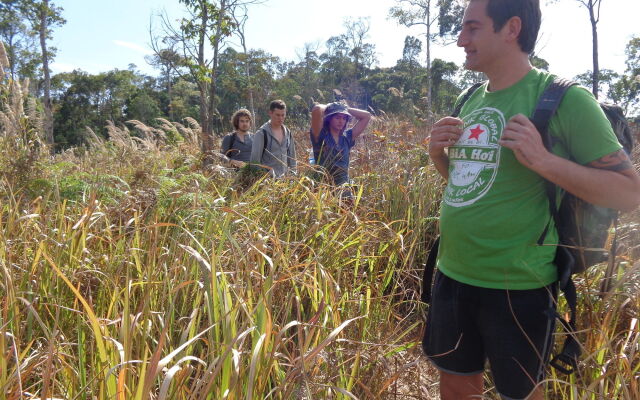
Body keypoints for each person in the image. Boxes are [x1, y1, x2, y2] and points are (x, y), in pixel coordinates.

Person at [424, 1, 640, 399]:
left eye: (472, 28)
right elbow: (475, 185)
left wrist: (543, 160)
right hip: (452, 273)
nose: (460, 40)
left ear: (511, 29)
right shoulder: (472, 98)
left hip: (519, 285)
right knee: (455, 383)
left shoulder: (564, 99)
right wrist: (440, 158)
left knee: (521, 394)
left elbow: (628, 191)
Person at [309, 101, 371, 187]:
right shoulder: (320, 135)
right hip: (322, 185)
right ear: (329, 119)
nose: (341, 121)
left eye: (344, 118)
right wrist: (330, 107)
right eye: (337, 118)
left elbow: (367, 116)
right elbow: (317, 109)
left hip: (343, 185)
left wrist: (343, 108)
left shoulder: (347, 137)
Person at [250, 100, 296, 177]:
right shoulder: (261, 134)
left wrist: (293, 176)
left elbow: (292, 158)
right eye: (277, 115)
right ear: (270, 113)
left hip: (284, 181)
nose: (281, 118)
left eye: (283, 115)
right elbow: (254, 162)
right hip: (267, 183)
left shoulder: (288, 132)